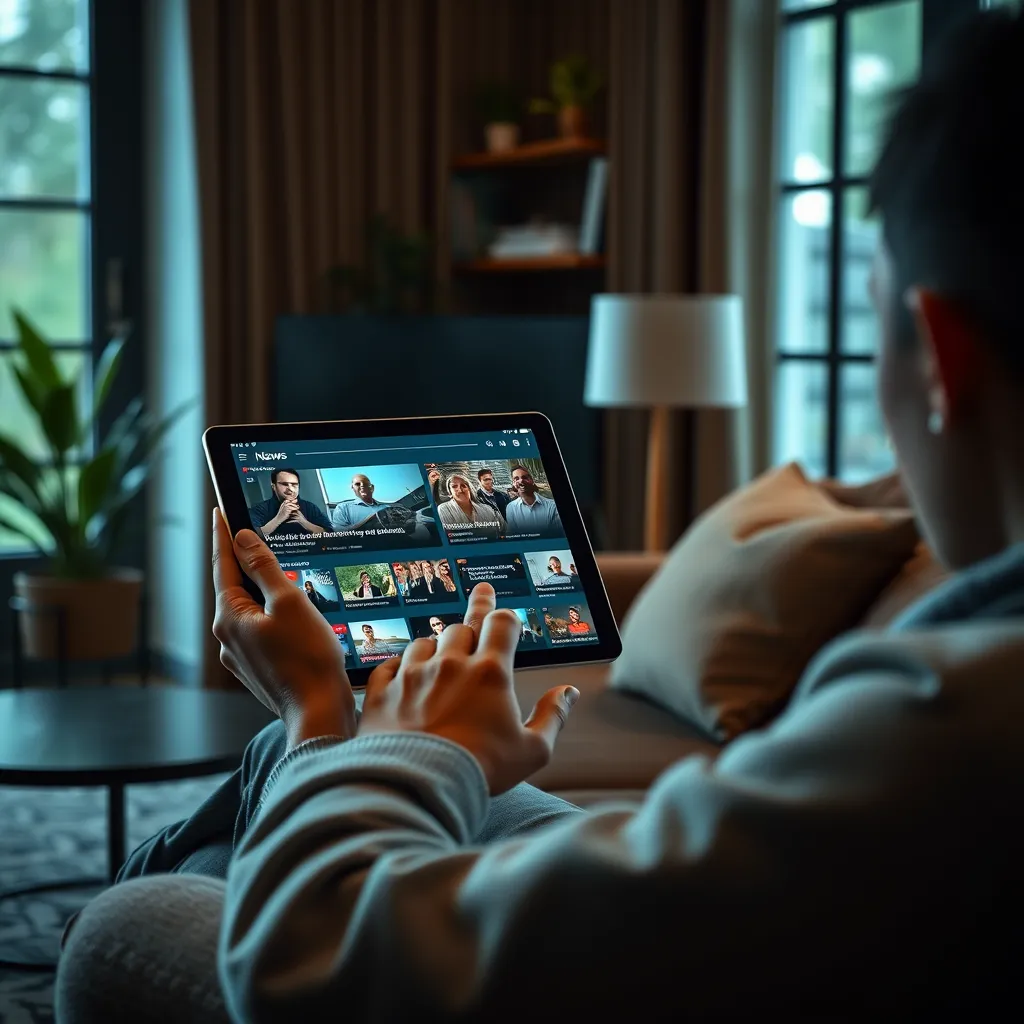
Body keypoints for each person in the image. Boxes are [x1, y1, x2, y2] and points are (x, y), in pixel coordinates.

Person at [56, 10, 1024, 1021]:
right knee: (347, 771)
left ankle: (124, 896)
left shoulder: (941, 735)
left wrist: (327, 724)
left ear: (939, 357)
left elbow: (313, 967)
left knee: (127, 927)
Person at [247, 467, 332, 537]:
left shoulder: (311, 507)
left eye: (294, 484)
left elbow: (330, 534)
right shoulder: (259, 509)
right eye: (284, 484)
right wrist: (278, 519)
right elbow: (250, 537)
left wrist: (304, 522)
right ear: (274, 486)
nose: (290, 489)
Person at [436, 472, 506, 539]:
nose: (460, 490)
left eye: (463, 485)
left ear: (469, 489)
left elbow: (506, 530)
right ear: (450, 492)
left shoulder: (487, 509)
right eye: (454, 486)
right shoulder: (444, 509)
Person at [504, 465, 563, 537]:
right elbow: (514, 534)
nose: (521, 480)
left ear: (532, 480)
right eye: (516, 479)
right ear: (513, 484)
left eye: (524, 477)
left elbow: (557, 535)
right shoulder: (510, 508)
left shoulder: (552, 506)